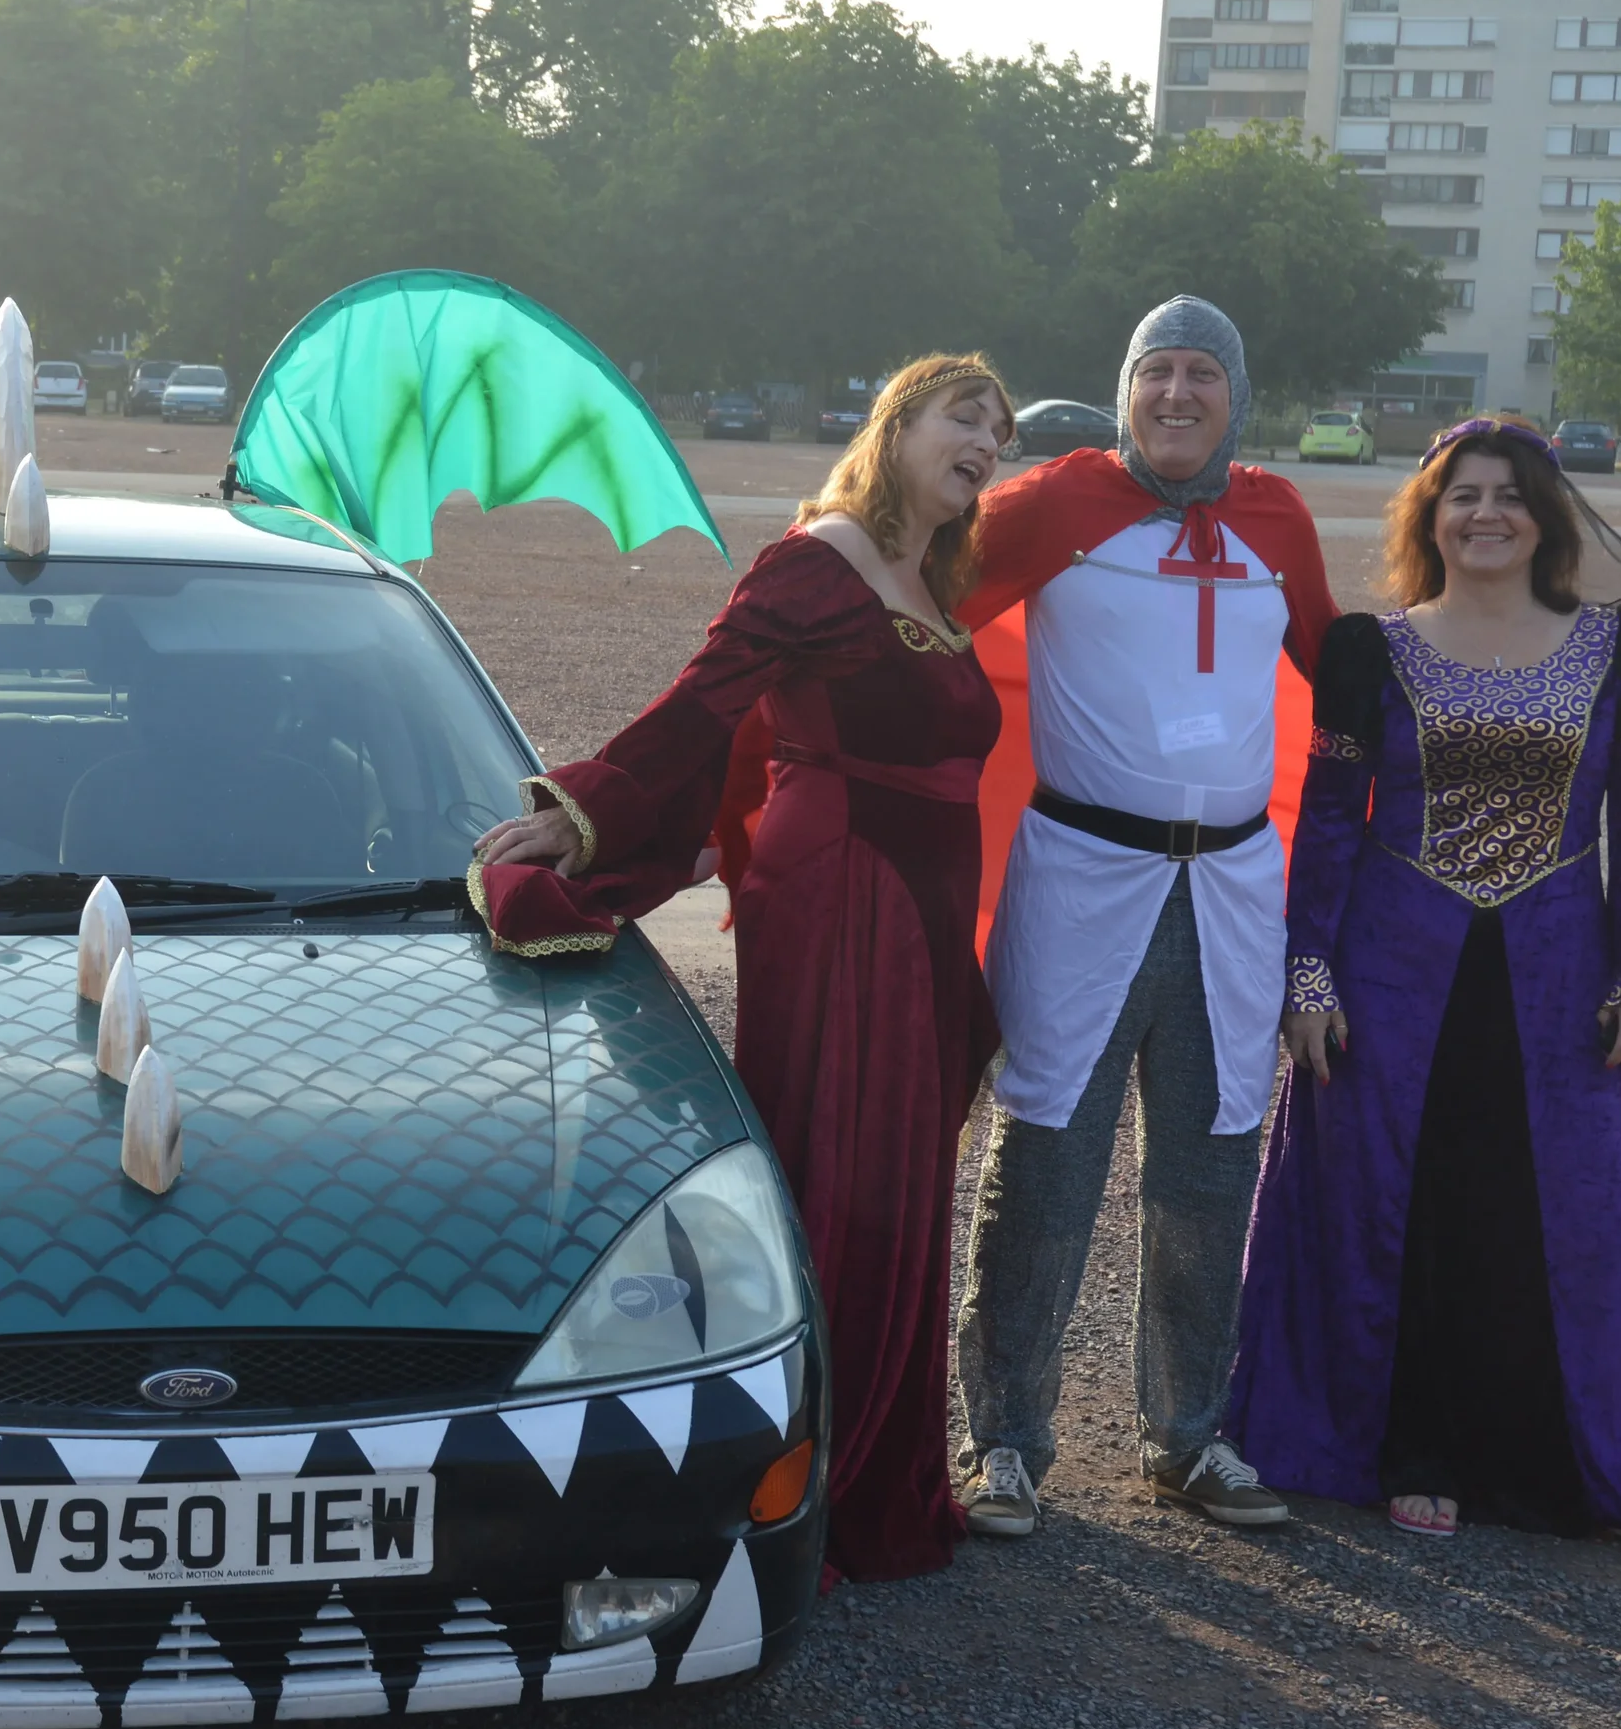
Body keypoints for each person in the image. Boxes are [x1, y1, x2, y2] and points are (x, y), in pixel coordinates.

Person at [472, 355, 1015, 1581]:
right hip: (843, 899)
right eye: (961, 414)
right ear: (896, 427)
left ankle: (884, 1474)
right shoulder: (818, 559)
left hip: (920, 915)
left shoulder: (927, 580)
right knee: (845, 1174)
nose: (985, 438)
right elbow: (700, 701)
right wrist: (585, 813)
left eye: (1001, 428)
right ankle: (798, 1479)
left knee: (903, 1181)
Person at [1227, 420, 1621, 1565]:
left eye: (1507, 496)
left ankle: (1578, 1467)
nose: (1483, 514)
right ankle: (1412, 1452)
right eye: (1460, 494)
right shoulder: (1371, 648)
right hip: (1389, 964)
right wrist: (1305, 974)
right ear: (1427, 513)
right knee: (1398, 1203)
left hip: (1560, 964)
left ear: (1545, 515)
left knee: (1562, 1212)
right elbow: (1326, 827)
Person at [947, 298, 1339, 1536]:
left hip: (1230, 887)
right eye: (1154, 371)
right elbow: (902, 601)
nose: (1176, 393)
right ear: (1123, 390)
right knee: (1046, 1161)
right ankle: (1003, 1437)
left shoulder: (1276, 515)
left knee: (1207, 1167)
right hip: (1083, 873)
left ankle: (1188, 1434)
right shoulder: (1055, 505)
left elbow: (1347, 674)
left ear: (1235, 396)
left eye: (1200, 375)